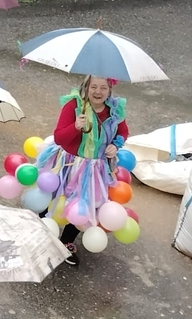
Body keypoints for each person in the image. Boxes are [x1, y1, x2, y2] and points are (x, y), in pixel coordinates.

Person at [37, 75, 128, 266]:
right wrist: (76, 126)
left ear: (110, 90)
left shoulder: (114, 109)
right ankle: (41, 230)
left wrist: (116, 145)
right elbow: (59, 137)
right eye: (93, 87)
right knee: (53, 197)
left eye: (103, 88)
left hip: (96, 167)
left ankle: (66, 241)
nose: (98, 92)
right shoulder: (73, 106)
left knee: (85, 204)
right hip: (69, 164)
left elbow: (123, 132)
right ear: (85, 88)